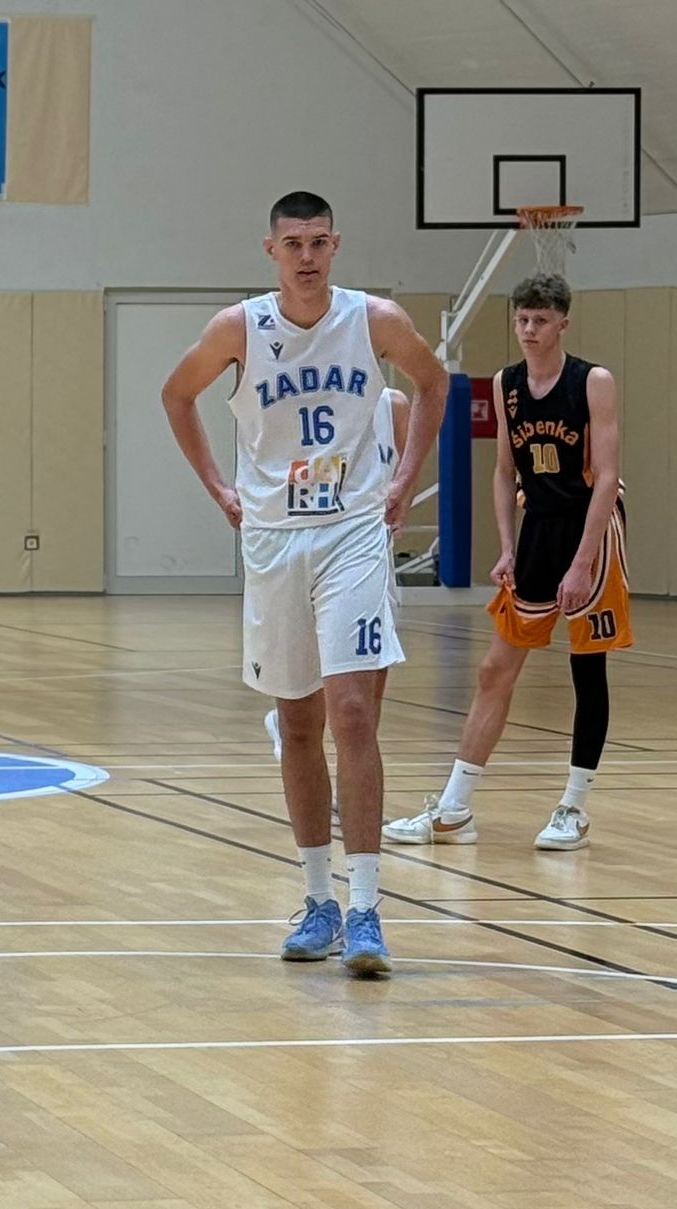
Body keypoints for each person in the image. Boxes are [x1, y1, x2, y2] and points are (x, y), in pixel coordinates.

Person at [161, 190, 447, 978]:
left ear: (336, 245)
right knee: (296, 723)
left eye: (319, 242)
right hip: (274, 538)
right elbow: (176, 395)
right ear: (272, 251)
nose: (308, 256)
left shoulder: (375, 320)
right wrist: (219, 488)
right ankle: (318, 898)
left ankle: (367, 909)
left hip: (352, 531)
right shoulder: (239, 328)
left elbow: (433, 384)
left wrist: (404, 478)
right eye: (294, 244)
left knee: (352, 712)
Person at [385, 273, 627, 852]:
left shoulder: (592, 381)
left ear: (563, 322)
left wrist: (582, 562)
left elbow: (608, 477)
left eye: (540, 320)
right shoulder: (506, 384)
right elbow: (502, 472)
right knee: (495, 669)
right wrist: (507, 547)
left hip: (592, 529)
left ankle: (574, 808)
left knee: (587, 669)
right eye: (522, 319)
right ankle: (454, 809)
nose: (529, 329)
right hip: (538, 526)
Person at [259, 386, 411, 831]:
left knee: (370, 680)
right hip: (317, 547)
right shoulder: (313, 400)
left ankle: (350, 786)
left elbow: (405, 466)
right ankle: (292, 729)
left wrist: (399, 496)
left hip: (371, 551)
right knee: (327, 681)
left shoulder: (394, 405)